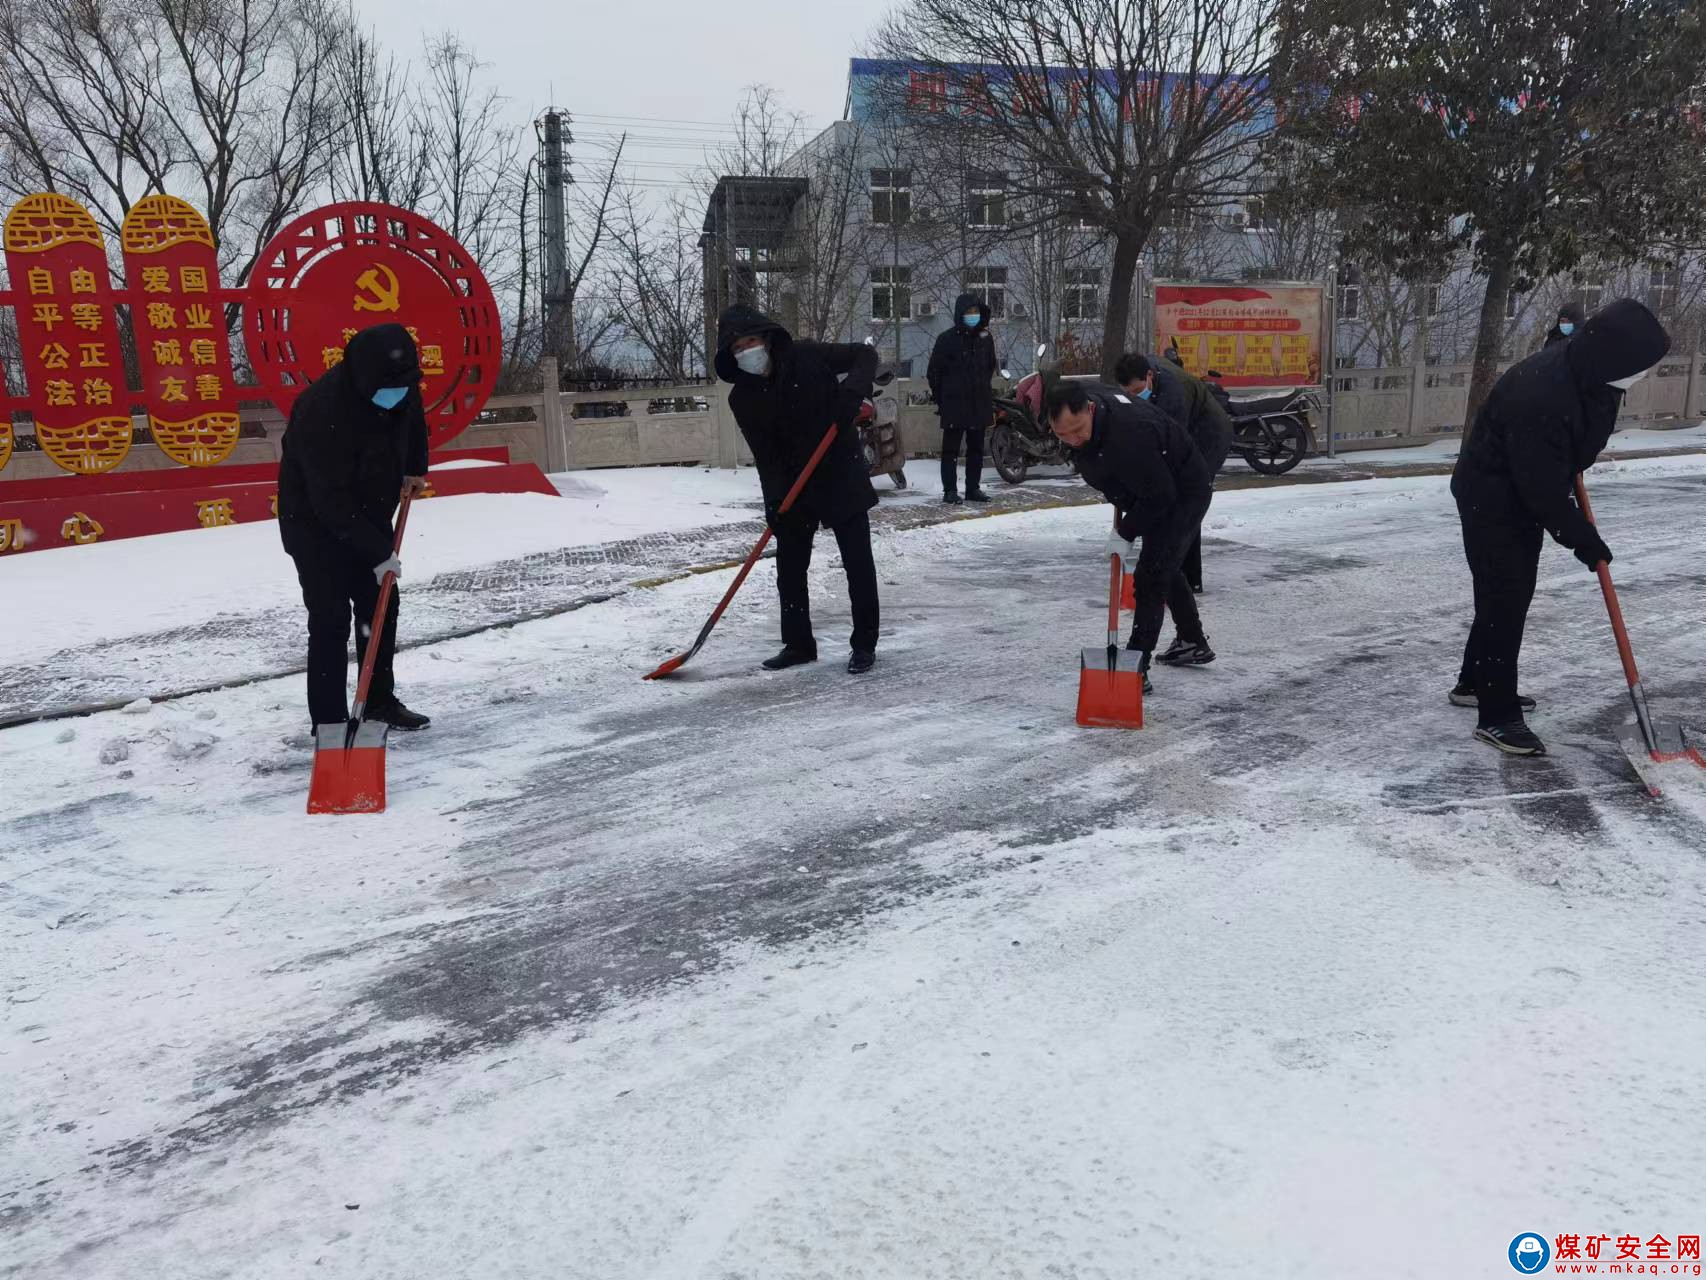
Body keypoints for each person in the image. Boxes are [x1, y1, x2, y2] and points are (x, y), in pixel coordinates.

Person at [1451, 298, 1669, 756]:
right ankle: (1496, 715)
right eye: (1641, 366)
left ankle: (1474, 682)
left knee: (1498, 593)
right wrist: (1584, 540)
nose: (1642, 376)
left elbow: (1565, 453)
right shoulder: (1543, 395)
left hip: (1519, 485)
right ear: (1617, 358)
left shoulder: (1589, 375)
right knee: (1505, 595)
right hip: (1493, 497)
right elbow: (1543, 491)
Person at [277, 323, 432, 732]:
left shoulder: (397, 384)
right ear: (363, 375)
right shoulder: (319, 410)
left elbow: (413, 418)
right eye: (391, 387)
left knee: (380, 608)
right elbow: (329, 500)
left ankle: (378, 701)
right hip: (313, 523)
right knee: (329, 618)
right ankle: (328, 721)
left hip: (370, 511)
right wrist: (380, 553)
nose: (398, 394)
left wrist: (416, 467)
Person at [714, 303, 882, 675]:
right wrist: (775, 501)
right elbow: (766, 457)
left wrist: (852, 393)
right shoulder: (742, 398)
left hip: (838, 470)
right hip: (794, 484)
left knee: (857, 561)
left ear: (768, 339)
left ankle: (864, 644)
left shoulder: (806, 356)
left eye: (751, 341)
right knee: (789, 567)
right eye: (737, 348)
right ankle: (798, 644)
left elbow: (864, 355)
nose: (746, 352)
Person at [1043, 379, 1214, 692]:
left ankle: (1135, 667)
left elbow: (1161, 496)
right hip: (1147, 488)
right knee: (1164, 564)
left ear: (1091, 409)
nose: (1073, 440)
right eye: (1062, 434)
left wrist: (1126, 531)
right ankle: (1192, 639)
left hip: (1183, 491)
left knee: (1152, 575)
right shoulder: (1085, 412)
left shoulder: (1129, 436)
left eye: (1078, 430)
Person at [1116, 351, 1233, 612]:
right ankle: (1175, 573)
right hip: (1188, 429)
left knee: (1187, 500)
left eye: (1137, 391)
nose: (1134, 397)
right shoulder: (1141, 372)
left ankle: (1185, 578)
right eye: (1129, 393)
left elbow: (1169, 446)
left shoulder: (1173, 396)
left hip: (1209, 436)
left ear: (1149, 377)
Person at [926, 292, 997, 504]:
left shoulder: (986, 339)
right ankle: (950, 490)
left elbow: (990, 367)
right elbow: (934, 373)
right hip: (954, 405)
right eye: (969, 312)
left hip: (979, 403)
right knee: (951, 451)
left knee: (976, 450)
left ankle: (973, 489)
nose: (973, 315)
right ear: (960, 314)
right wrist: (942, 399)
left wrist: (982, 389)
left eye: (976, 311)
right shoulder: (946, 340)